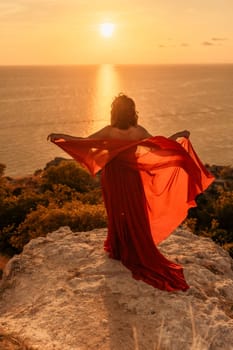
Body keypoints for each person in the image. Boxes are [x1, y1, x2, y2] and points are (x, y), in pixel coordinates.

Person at [48, 93, 214, 292]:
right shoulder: (138, 130)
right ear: (132, 112)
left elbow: (85, 142)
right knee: (135, 211)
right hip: (132, 177)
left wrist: (63, 138)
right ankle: (135, 247)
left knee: (117, 210)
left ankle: (120, 248)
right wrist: (179, 135)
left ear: (115, 112)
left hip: (113, 177)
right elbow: (160, 145)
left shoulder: (110, 131)